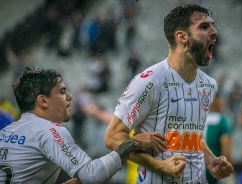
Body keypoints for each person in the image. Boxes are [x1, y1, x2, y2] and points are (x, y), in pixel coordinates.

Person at [104, 4, 233, 183]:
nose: (214, 32)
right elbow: (112, 137)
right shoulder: (149, 81)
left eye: (212, 25)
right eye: (204, 26)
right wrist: (159, 166)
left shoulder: (209, 85)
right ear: (182, 37)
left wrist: (210, 161)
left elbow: (190, 135)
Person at [0, 67, 146, 184]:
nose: (70, 96)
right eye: (62, 91)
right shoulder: (49, 130)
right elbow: (92, 175)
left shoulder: (6, 131)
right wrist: (130, 144)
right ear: (43, 101)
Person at [204, 94, 233, 184]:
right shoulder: (222, 121)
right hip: (214, 167)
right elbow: (226, 150)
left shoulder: (200, 118)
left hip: (196, 166)